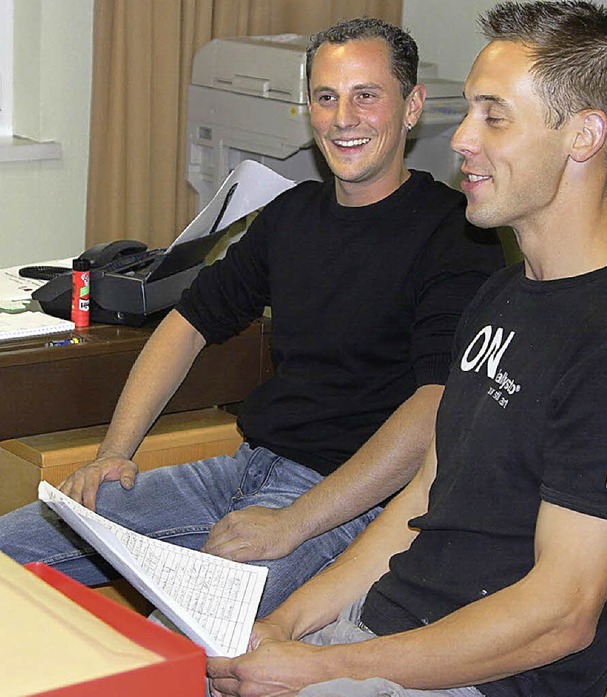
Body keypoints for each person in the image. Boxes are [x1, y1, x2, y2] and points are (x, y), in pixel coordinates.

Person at [206, 2, 607, 695]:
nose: (462, 137)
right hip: (382, 635)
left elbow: (562, 615)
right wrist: (284, 626)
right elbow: (422, 500)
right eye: (468, 110)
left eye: (493, 115)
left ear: (583, 135)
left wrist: (323, 666)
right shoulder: (497, 297)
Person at [0, 18, 502, 617]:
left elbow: (434, 407)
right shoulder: (289, 216)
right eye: (325, 96)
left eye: (366, 95)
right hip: (241, 472)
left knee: (186, 629)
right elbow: (187, 324)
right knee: (12, 545)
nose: (343, 117)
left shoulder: (456, 234)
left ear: (412, 106)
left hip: (348, 501)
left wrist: (293, 523)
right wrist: (115, 451)